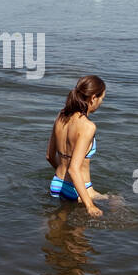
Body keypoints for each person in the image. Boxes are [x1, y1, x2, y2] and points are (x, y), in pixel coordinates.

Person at [47, 75, 107, 217]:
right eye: (102, 98)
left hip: (56, 183)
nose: (101, 102)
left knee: (55, 229)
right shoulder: (88, 126)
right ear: (93, 98)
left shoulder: (61, 116)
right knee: (117, 201)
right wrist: (90, 206)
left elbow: (49, 156)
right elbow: (74, 170)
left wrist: (63, 178)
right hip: (78, 188)